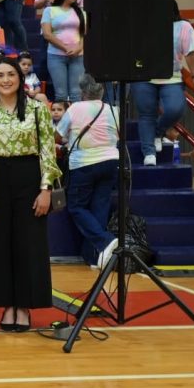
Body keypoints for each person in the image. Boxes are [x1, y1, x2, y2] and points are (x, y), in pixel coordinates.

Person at [0, 57, 61, 332]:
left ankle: (24, 306)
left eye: (10, 74)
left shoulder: (38, 109)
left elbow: (48, 150)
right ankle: (6, 304)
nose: (5, 80)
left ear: (20, 78)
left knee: (29, 244)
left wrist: (45, 189)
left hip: (29, 178)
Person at [131, 2, 194, 166]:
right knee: (146, 114)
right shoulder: (141, 25)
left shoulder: (183, 26)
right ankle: (149, 152)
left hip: (171, 77)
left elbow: (190, 52)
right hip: (143, 77)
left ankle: (157, 132)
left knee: (175, 109)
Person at [57, 74, 120, 268]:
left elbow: (58, 136)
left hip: (84, 163)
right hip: (110, 161)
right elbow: (119, 134)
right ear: (102, 91)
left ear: (81, 91)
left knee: (76, 207)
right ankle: (94, 257)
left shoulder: (75, 109)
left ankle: (105, 241)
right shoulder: (113, 109)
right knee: (99, 208)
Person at [40, 0, 85, 102]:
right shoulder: (49, 10)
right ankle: (62, 120)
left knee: (76, 93)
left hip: (78, 56)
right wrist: (66, 48)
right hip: (56, 56)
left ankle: (76, 120)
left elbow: (85, 35)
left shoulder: (81, 12)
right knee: (61, 94)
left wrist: (78, 48)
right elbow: (47, 34)